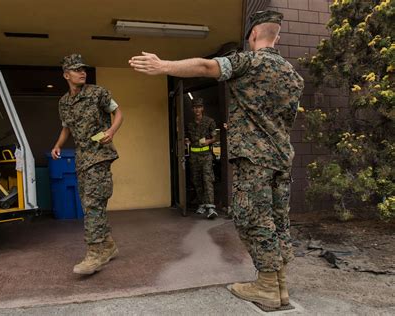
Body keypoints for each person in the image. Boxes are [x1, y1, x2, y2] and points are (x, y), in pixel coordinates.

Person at [129, 11, 304, 309]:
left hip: (254, 158)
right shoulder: (292, 74)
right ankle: (279, 286)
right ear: (279, 37)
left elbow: (206, 66)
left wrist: (163, 66)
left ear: (252, 36)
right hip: (281, 157)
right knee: (277, 220)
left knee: (253, 218)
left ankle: (266, 287)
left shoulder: (248, 61)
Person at [51, 53, 124, 275]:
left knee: (93, 203)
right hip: (82, 157)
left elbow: (118, 113)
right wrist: (58, 145)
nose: (82, 72)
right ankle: (109, 245)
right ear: (66, 75)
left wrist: (111, 131)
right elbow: (67, 127)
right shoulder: (64, 102)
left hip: (100, 154)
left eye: (83, 69)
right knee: (89, 204)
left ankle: (95, 253)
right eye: (76, 69)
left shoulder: (98, 92)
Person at [185, 97, 218, 219]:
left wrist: (208, 141)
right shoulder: (189, 124)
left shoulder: (209, 121)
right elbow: (187, 137)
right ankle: (202, 204)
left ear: (202, 108)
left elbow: (215, 137)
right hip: (194, 156)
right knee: (196, 180)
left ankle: (211, 207)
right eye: (195, 107)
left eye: (199, 107)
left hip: (206, 156)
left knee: (207, 179)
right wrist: (186, 140)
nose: (197, 109)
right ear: (192, 109)